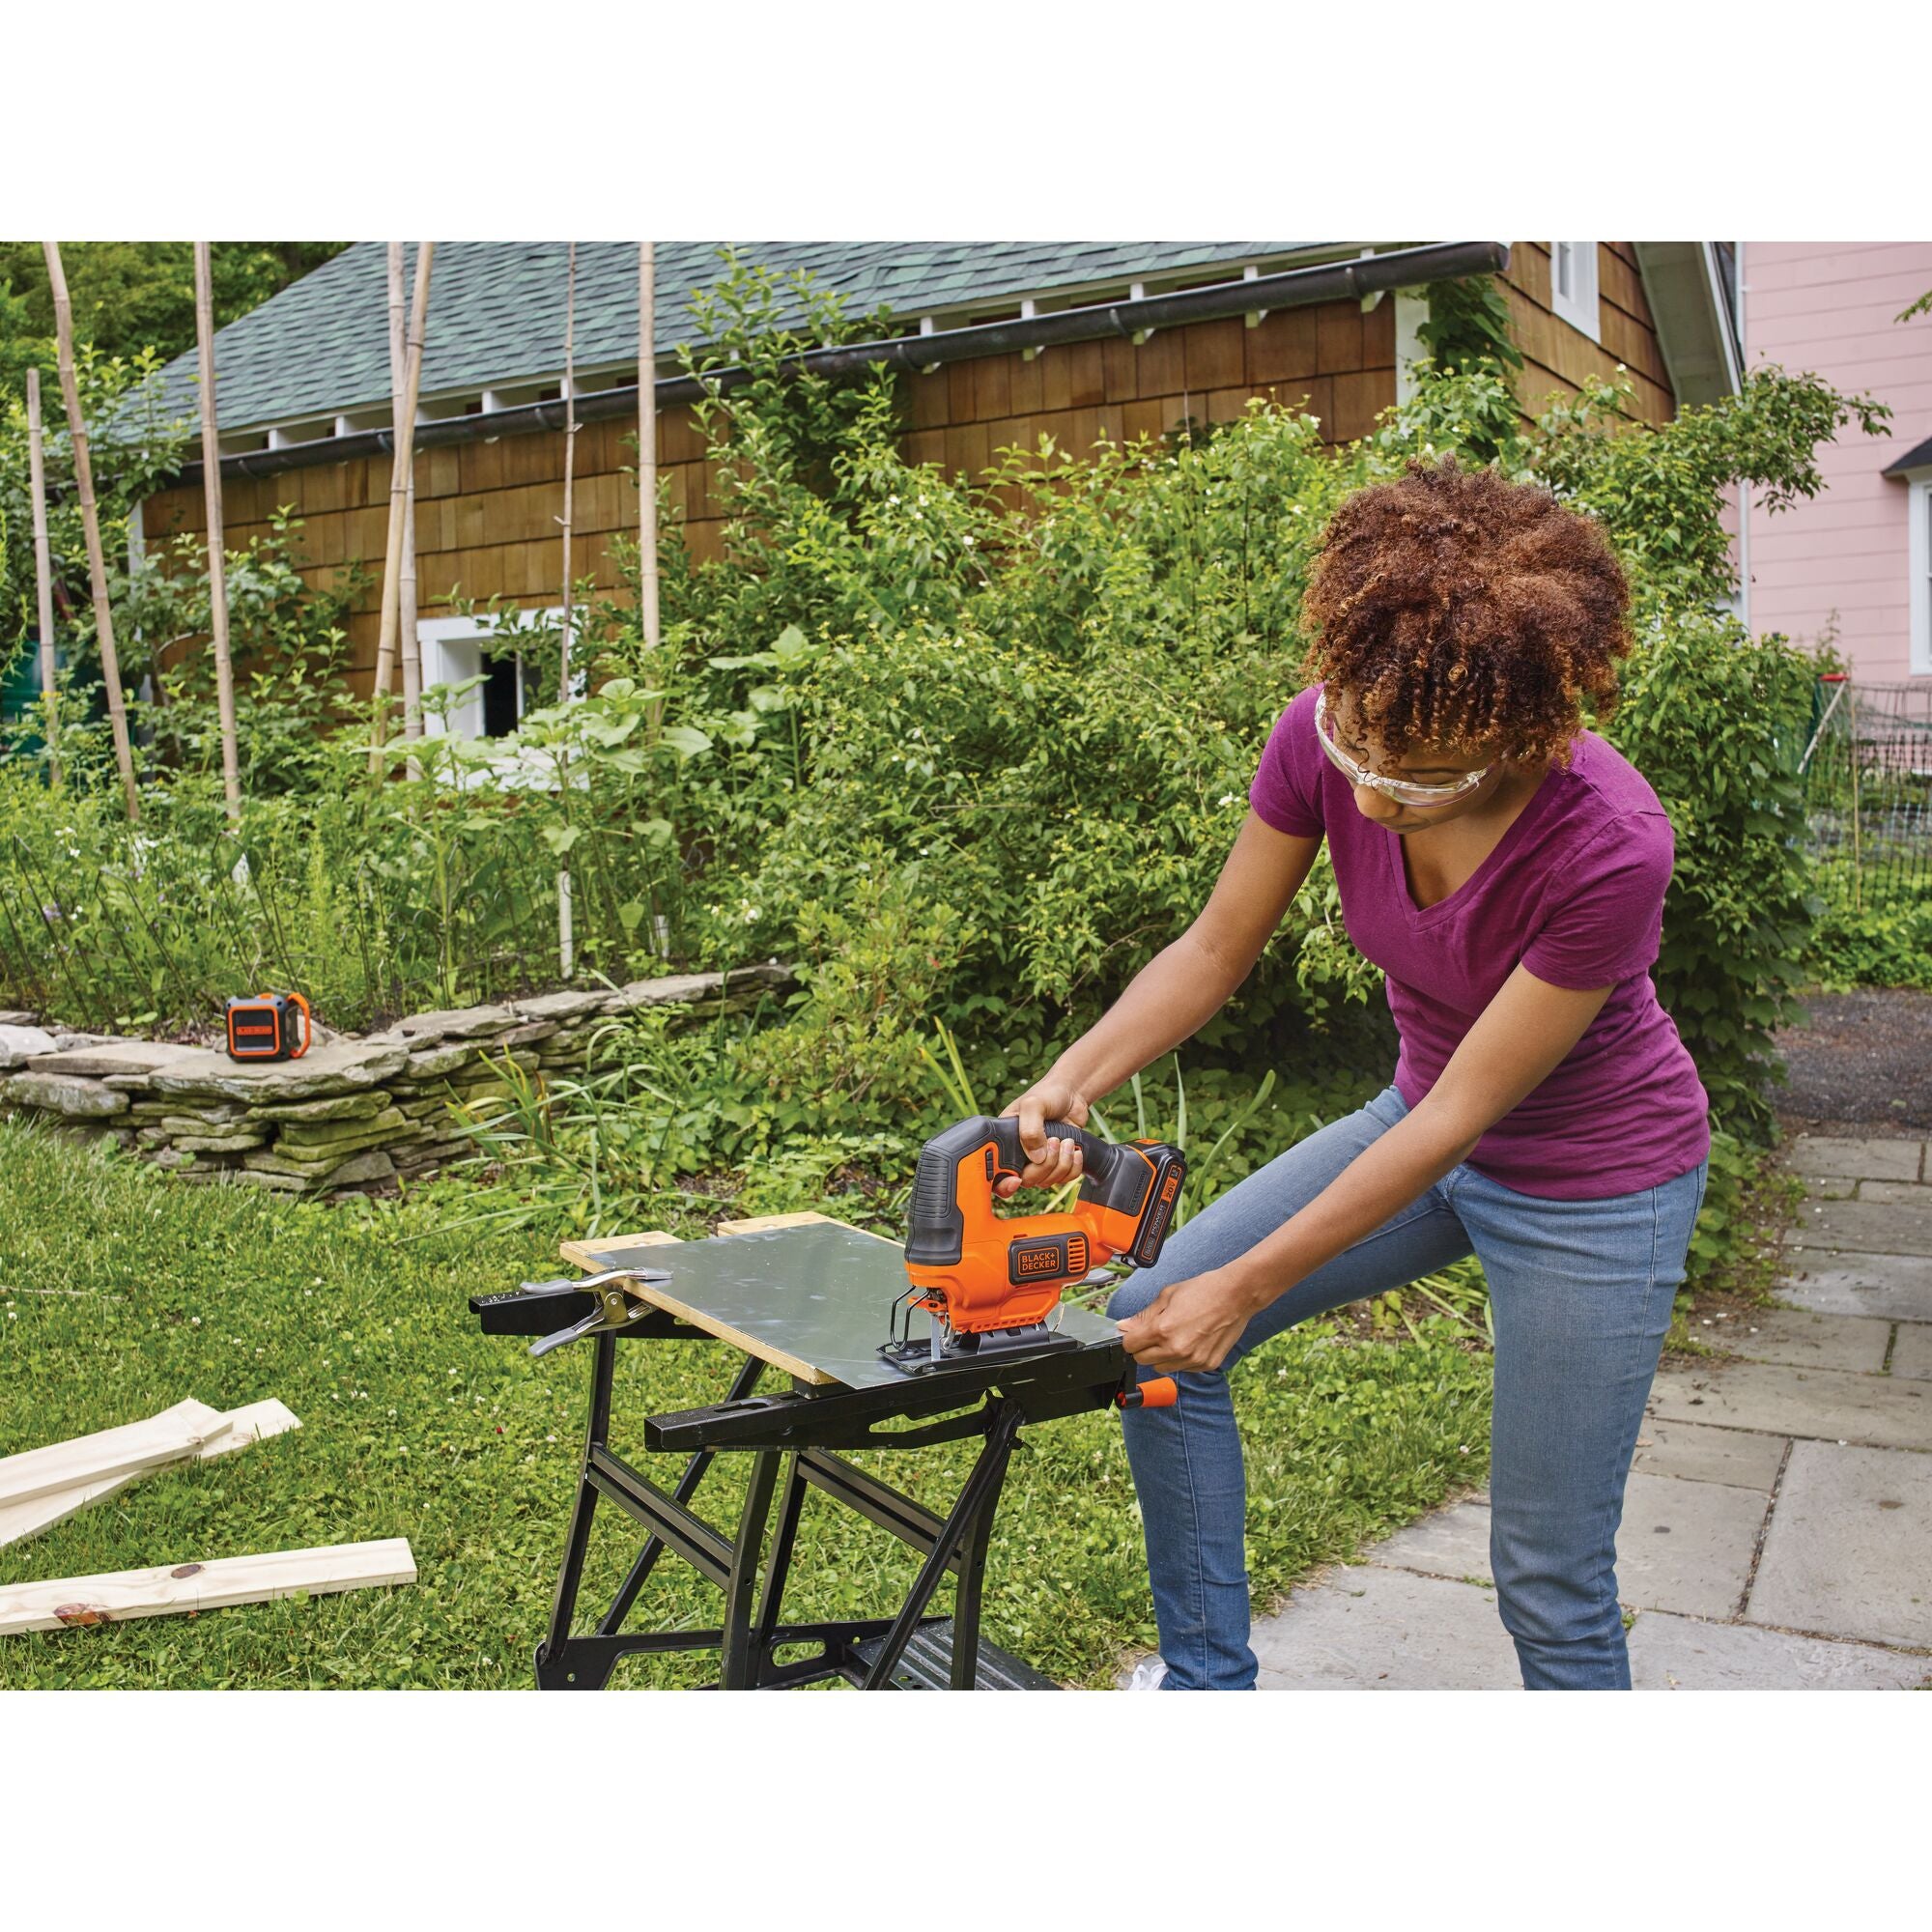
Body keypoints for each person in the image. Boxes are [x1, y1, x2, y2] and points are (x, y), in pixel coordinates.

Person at [999, 457, 1710, 1691]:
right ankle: (1207, 1692)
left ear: (1521, 730)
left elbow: (1456, 1121)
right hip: (1420, 1122)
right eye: (1361, 746)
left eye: (1425, 771)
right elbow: (1215, 947)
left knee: (1546, 1569)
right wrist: (1074, 1075)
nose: (1376, 789)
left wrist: (1244, 1286)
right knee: (1151, 1324)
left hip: (1595, 1184)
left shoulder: (1609, 842)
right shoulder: (1331, 727)